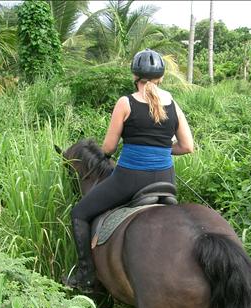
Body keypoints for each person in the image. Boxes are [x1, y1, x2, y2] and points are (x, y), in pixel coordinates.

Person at [65, 49, 194, 291]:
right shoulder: (173, 104)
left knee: (80, 213)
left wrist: (115, 152)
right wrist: (163, 150)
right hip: (166, 180)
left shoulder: (126, 102)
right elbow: (187, 146)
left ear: (134, 75)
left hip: (130, 179)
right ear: (161, 78)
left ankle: (86, 276)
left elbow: (109, 147)